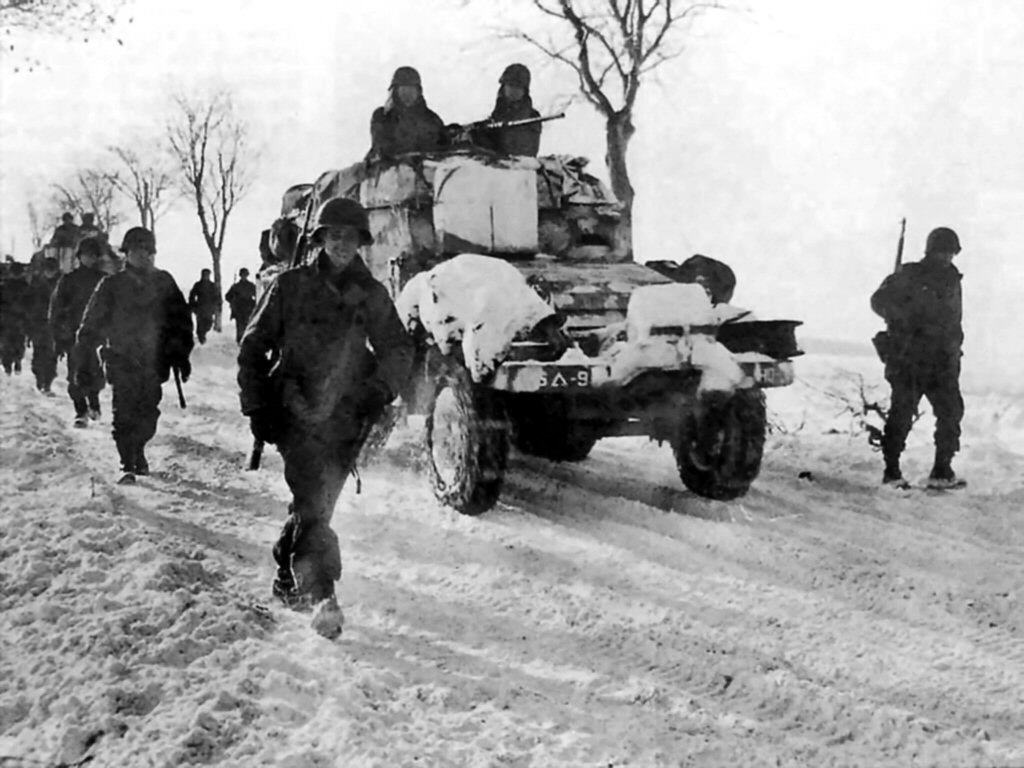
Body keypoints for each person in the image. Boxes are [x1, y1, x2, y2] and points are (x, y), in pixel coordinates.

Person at [237, 198, 413, 636]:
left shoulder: (371, 293)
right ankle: (322, 595)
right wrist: (256, 405)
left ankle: (287, 574)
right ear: (319, 238)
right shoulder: (290, 286)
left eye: (350, 237)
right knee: (313, 502)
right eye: (333, 235)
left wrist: (379, 389)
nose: (341, 244)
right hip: (295, 411)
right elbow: (253, 346)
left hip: (347, 416)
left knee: (316, 505)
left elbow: (397, 348)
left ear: (360, 242)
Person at [75, 227, 193, 481]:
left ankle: (138, 449)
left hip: (154, 361)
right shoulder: (112, 285)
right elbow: (91, 324)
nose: (143, 255)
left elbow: (181, 321)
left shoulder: (164, 282)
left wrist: (181, 355)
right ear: (126, 253)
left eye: (148, 250)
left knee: (148, 414)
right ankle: (127, 462)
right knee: (124, 412)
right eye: (137, 250)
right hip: (121, 358)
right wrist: (84, 359)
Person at [870, 226, 966, 490]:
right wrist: (901, 316)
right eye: (941, 252)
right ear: (930, 251)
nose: (946, 257)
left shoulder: (953, 280)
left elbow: (953, 320)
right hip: (910, 359)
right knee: (901, 414)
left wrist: (955, 347)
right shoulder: (909, 274)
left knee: (951, 413)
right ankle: (891, 471)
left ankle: (942, 470)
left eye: (950, 252)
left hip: (942, 362)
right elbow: (878, 301)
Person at [50, 238, 108, 426]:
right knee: (75, 374)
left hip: (98, 334)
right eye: (86, 255)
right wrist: (58, 334)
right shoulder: (68, 280)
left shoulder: (105, 280)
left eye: (93, 255)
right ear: (79, 256)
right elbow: (57, 308)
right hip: (73, 334)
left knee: (95, 372)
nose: (90, 259)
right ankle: (81, 411)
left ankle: (94, 403)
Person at [369, 66, 448, 159]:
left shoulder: (432, 119)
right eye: (403, 90)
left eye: (411, 90)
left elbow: (445, 147)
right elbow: (382, 148)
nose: (407, 95)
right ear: (395, 92)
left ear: (418, 92)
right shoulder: (383, 116)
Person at [474, 63, 542, 156]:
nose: (514, 90)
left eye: (518, 87)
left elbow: (524, 151)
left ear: (524, 91)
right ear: (503, 87)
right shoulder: (498, 114)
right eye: (511, 85)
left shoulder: (532, 117)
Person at [26, 257, 61, 395]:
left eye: (52, 269)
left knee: (51, 356)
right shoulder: (36, 284)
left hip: (54, 325)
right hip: (38, 324)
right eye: (48, 269)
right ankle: (40, 381)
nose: (50, 272)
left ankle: (47, 383)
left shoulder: (62, 284)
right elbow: (28, 304)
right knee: (39, 354)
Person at [0, 262, 30, 375]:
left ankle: (8, 364)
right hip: (19, 319)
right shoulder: (26, 287)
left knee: (6, 343)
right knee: (18, 342)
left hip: (7, 319)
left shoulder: (4, 286)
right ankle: (16, 362)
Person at [188, 268, 221, 344]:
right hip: (200, 309)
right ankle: (201, 339)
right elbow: (192, 296)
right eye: (204, 275)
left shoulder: (212, 286)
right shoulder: (198, 285)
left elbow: (217, 297)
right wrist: (194, 306)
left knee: (208, 324)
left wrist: (216, 307)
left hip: (209, 309)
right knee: (200, 326)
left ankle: (203, 338)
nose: (206, 276)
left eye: (207, 275)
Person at [225, 268, 258, 344]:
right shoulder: (235, 286)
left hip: (248, 308)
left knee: (248, 325)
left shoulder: (251, 285)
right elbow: (227, 296)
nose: (244, 276)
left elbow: (257, 295)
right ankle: (240, 340)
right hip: (239, 309)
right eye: (243, 275)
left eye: (245, 275)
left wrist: (254, 303)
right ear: (240, 275)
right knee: (240, 326)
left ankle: (247, 340)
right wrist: (233, 300)